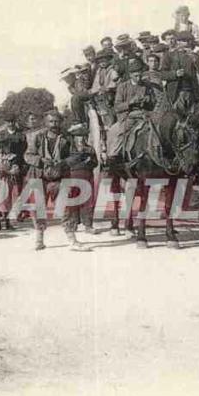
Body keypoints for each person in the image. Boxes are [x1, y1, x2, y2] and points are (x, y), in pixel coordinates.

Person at [24, 110, 91, 252]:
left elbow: (75, 156)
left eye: (56, 121)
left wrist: (62, 163)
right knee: (38, 208)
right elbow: (28, 155)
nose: (54, 124)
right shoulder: (37, 137)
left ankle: (72, 240)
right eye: (51, 121)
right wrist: (41, 160)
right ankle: (39, 239)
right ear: (45, 122)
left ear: (60, 122)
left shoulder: (67, 138)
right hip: (40, 176)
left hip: (60, 176)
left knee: (66, 207)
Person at [105, 58, 159, 161]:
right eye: (136, 76)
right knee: (122, 132)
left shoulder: (147, 86)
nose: (138, 78)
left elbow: (154, 102)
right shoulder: (122, 87)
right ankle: (114, 153)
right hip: (129, 116)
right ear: (130, 75)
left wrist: (149, 100)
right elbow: (117, 107)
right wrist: (130, 102)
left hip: (145, 114)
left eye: (140, 75)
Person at [66, 124, 99, 234]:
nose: (81, 138)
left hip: (87, 176)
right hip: (73, 177)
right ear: (74, 137)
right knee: (73, 201)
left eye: (83, 136)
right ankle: (73, 223)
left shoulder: (90, 149)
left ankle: (88, 225)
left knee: (88, 201)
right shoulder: (69, 149)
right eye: (78, 136)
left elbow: (96, 163)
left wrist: (90, 161)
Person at [161, 31, 199, 117]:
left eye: (188, 42)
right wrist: (175, 74)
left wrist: (195, 60)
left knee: (192, 119)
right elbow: (162, 74)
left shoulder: (194, 56)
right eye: (183, 41)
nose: (186, 44)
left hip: (192, 92)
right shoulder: (169, 55)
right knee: (175, 118)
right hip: (176, 93)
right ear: (178, 42)